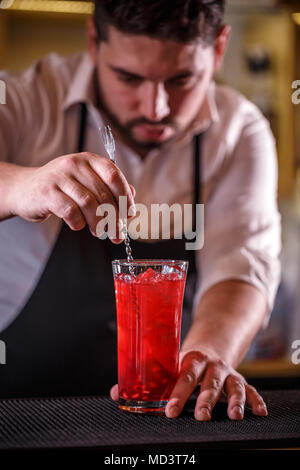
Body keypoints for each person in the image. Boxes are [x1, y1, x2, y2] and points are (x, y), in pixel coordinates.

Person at [0, 0, 281, 421]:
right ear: (94, 42)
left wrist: (208, 354)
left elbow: (240, 268)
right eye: (129, 78)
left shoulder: (239, 131)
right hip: (23, 414)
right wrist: (20, 185)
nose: (157, 109)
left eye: (182, 79)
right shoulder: (25, 100)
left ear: (219, 48)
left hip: (168, 413)